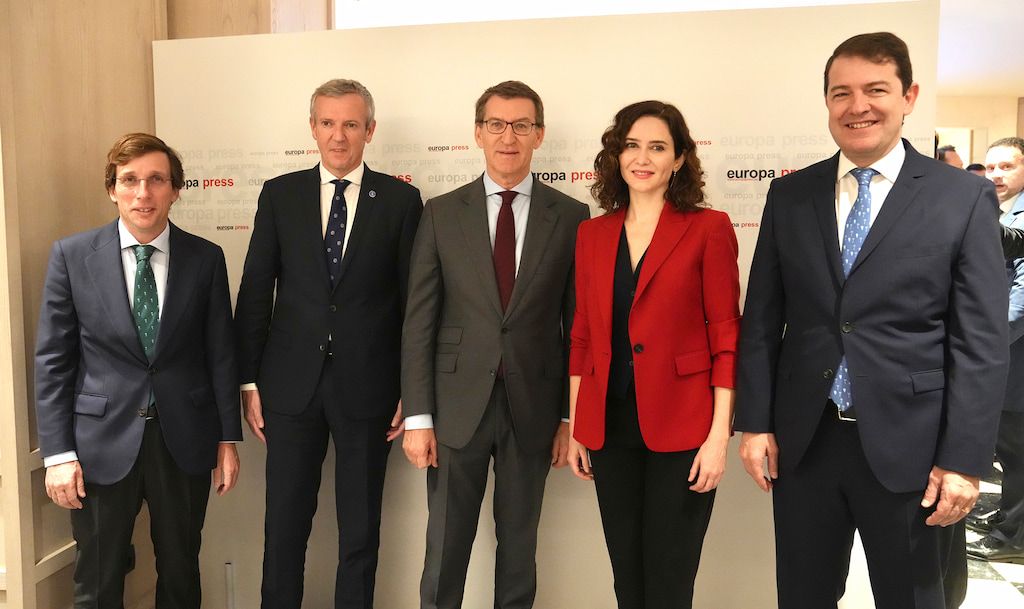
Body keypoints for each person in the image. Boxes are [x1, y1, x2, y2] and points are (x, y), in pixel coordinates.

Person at [734, 32, 1008, 609]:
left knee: (912, 598)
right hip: (806, 442)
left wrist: (963, 462)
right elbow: (761, 320)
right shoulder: (789, 195)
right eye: (842, 93)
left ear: (908, 96)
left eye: (875, 89)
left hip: (915, 448)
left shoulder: (962, 197)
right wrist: (755, 423)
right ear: (828, 103)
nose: (857, 106)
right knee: (802, 597)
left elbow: (980, 343)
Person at [234, 79, 422, 609]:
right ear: (312, 127)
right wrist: (248, 379)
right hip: (289, 388)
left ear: (370, 130)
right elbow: (255, 290)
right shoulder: (280, 194)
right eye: (328, 123)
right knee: (284, 525)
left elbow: (415, 304)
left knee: (360, 532)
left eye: (351, 124)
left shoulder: (403, 201)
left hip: (371, 389)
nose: (339, 136)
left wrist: (413, 388)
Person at [401, 80, 590, 609]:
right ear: (478, 134)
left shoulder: (572, 216)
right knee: (445, 549)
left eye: (522, 125)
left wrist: (568, 418)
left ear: (539, 135)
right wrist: (418, 418)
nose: (509, 136)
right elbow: (419, 321)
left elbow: (576, 326)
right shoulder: (440, 213)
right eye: (497, 125)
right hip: (455, 408)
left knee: (520, 550)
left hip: (532, 409)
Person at [35, 132, 241, 609]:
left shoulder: (206, 258)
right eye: (130, 180)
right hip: (98, 445)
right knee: (98, 577)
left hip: (184, 440)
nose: (143, 193)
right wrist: (57, 454)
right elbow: (53, 361)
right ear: (113, 188)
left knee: (180, 572)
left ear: (175, 189)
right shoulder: (71, 256)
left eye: (156, 180)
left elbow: (221, 354)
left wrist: (227, 440)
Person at [565, 100, 740, 609]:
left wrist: (717, 438)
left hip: (685, 429)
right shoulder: (592, 234)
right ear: (617, 155)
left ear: (680, 158)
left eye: (658, 147)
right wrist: (579, 424)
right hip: (610, 427)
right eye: (632, 145)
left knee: (669, 578)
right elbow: (581, 336)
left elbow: (726, 338)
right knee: (627, 575)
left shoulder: (708, 227)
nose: (643, 158)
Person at [967, 136, 1024, 563]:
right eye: (990, 167)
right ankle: (1008, 516)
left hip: (1014, 357)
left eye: (1006, 166)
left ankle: (1015, 537)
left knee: (1019, 450)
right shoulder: (1006, 210)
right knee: (1009, 448)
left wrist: (980, 344)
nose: (996, 175)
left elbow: (1020, 303)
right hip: (1005, 359)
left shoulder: (1016, 221)